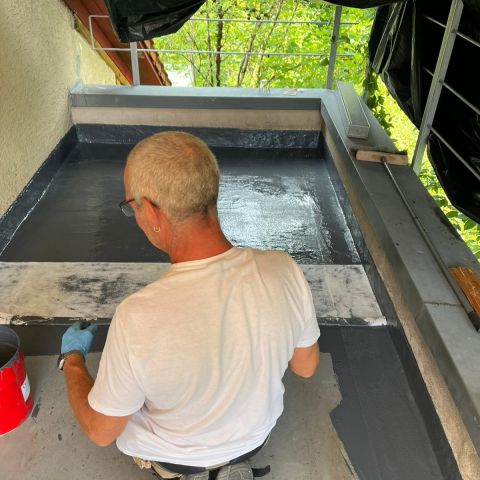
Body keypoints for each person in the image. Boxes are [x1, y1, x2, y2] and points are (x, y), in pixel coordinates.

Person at [59, 131, 320, 479]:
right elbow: (306, 366)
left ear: (153, 213)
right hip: (253, 440)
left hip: (173, 458)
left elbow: (100, 431)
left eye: (132, 206)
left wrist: (72, 360)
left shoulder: (137, 316)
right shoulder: (283, 269)